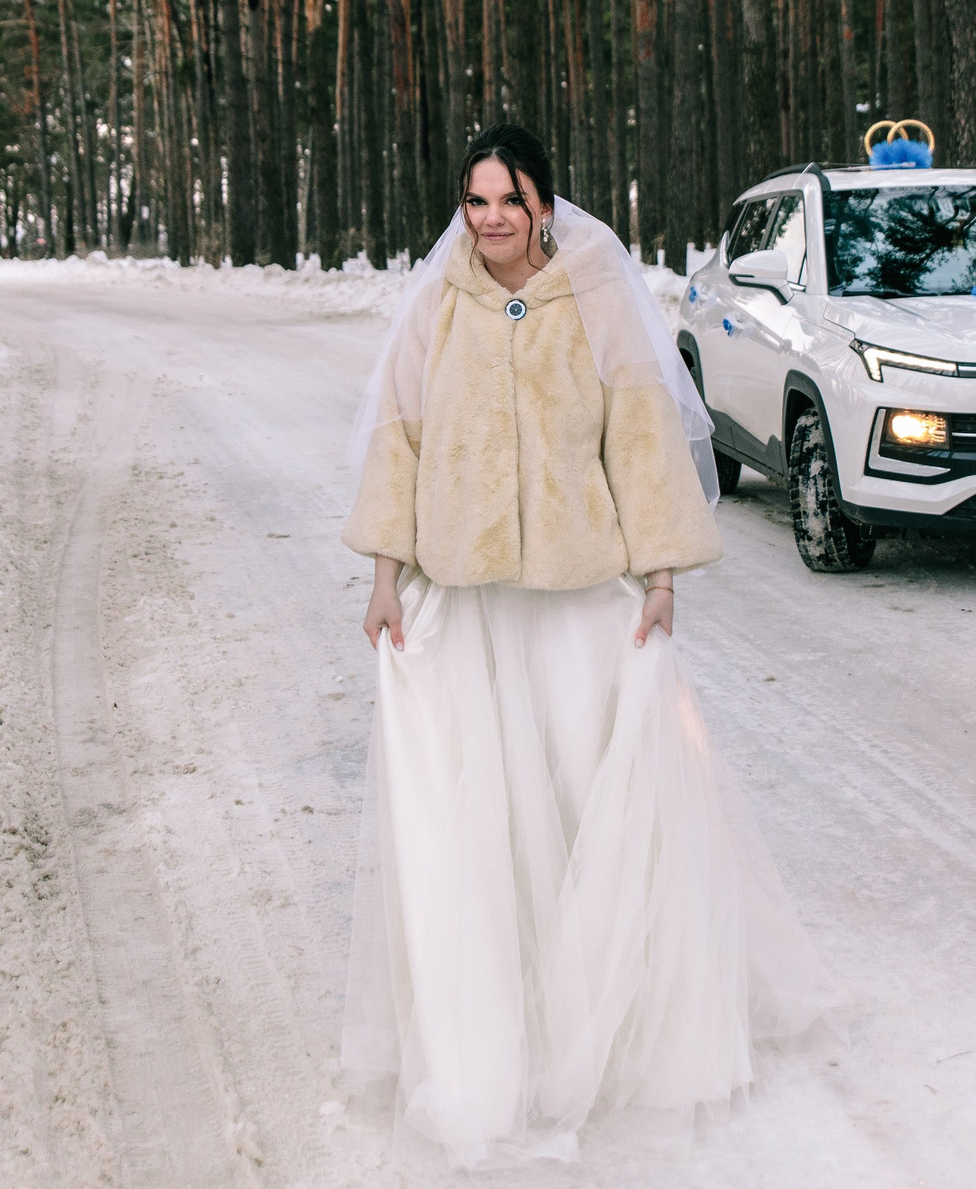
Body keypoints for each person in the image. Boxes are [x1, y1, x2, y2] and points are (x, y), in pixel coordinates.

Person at [340, 122, 838, 1167]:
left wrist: (658, 576)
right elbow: (399, 439)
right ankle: (500, 1029)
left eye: (507, 201)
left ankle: (607, 1026)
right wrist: (385, 576)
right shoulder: (437, 306)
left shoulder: (596, 295)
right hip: (470, 599)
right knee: (483, 826)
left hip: (574, 598)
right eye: (474, 202)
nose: (489, 221)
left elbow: (641, 435)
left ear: (544, 205)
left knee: (591, 810)